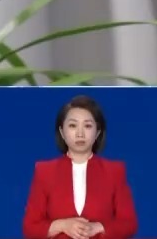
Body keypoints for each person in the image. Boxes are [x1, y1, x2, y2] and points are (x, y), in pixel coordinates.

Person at [22, 95, 138, 239]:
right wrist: (63, 225)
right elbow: (30, 227)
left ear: (97, 132)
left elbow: (129, 223)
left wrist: (98, 227)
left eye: (87, 126)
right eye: (73, 125)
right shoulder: (44, 171)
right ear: (62, 132)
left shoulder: (114, 171)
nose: (80, 134)